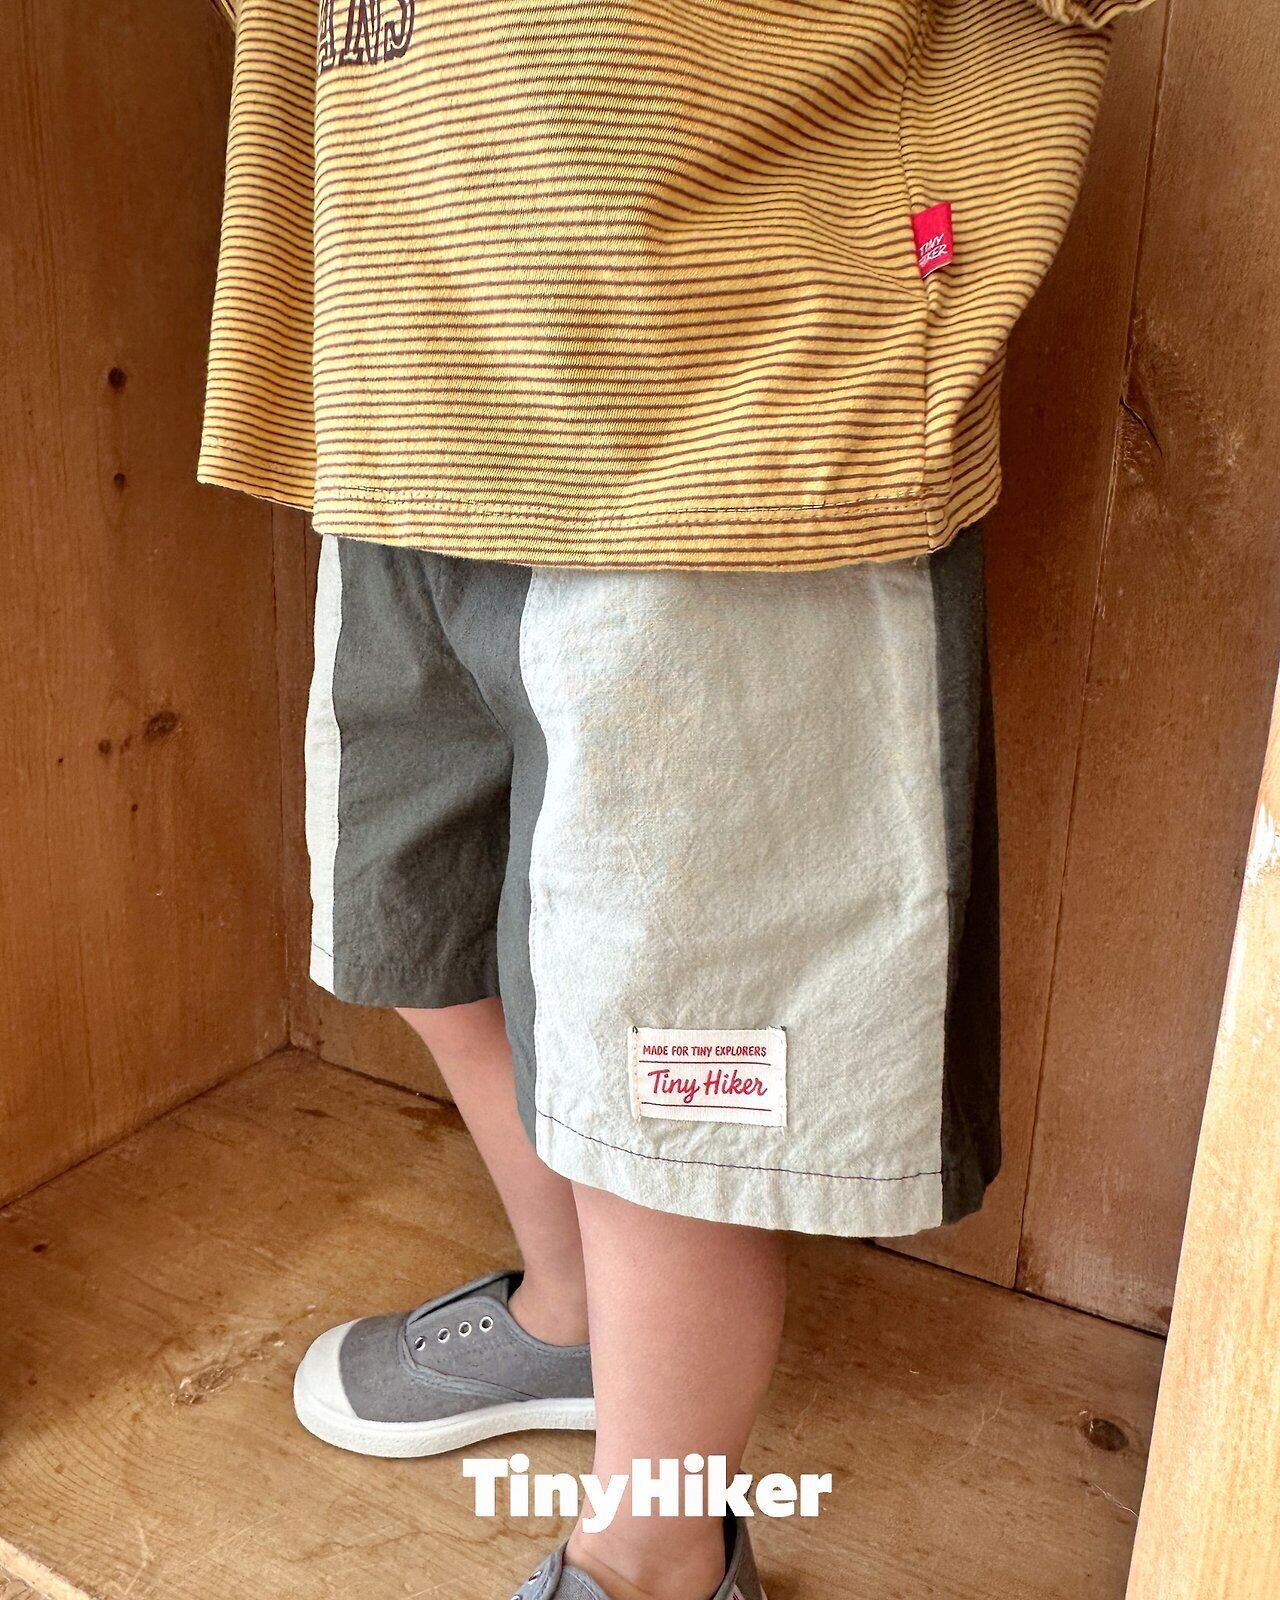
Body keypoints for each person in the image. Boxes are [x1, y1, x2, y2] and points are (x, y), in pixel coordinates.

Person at [201, 2, 1156, 1595]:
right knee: (417, 929)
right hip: (400, 407)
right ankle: (578, 1314)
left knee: (680, 1078)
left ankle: (656, 1553)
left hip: (730, 436)